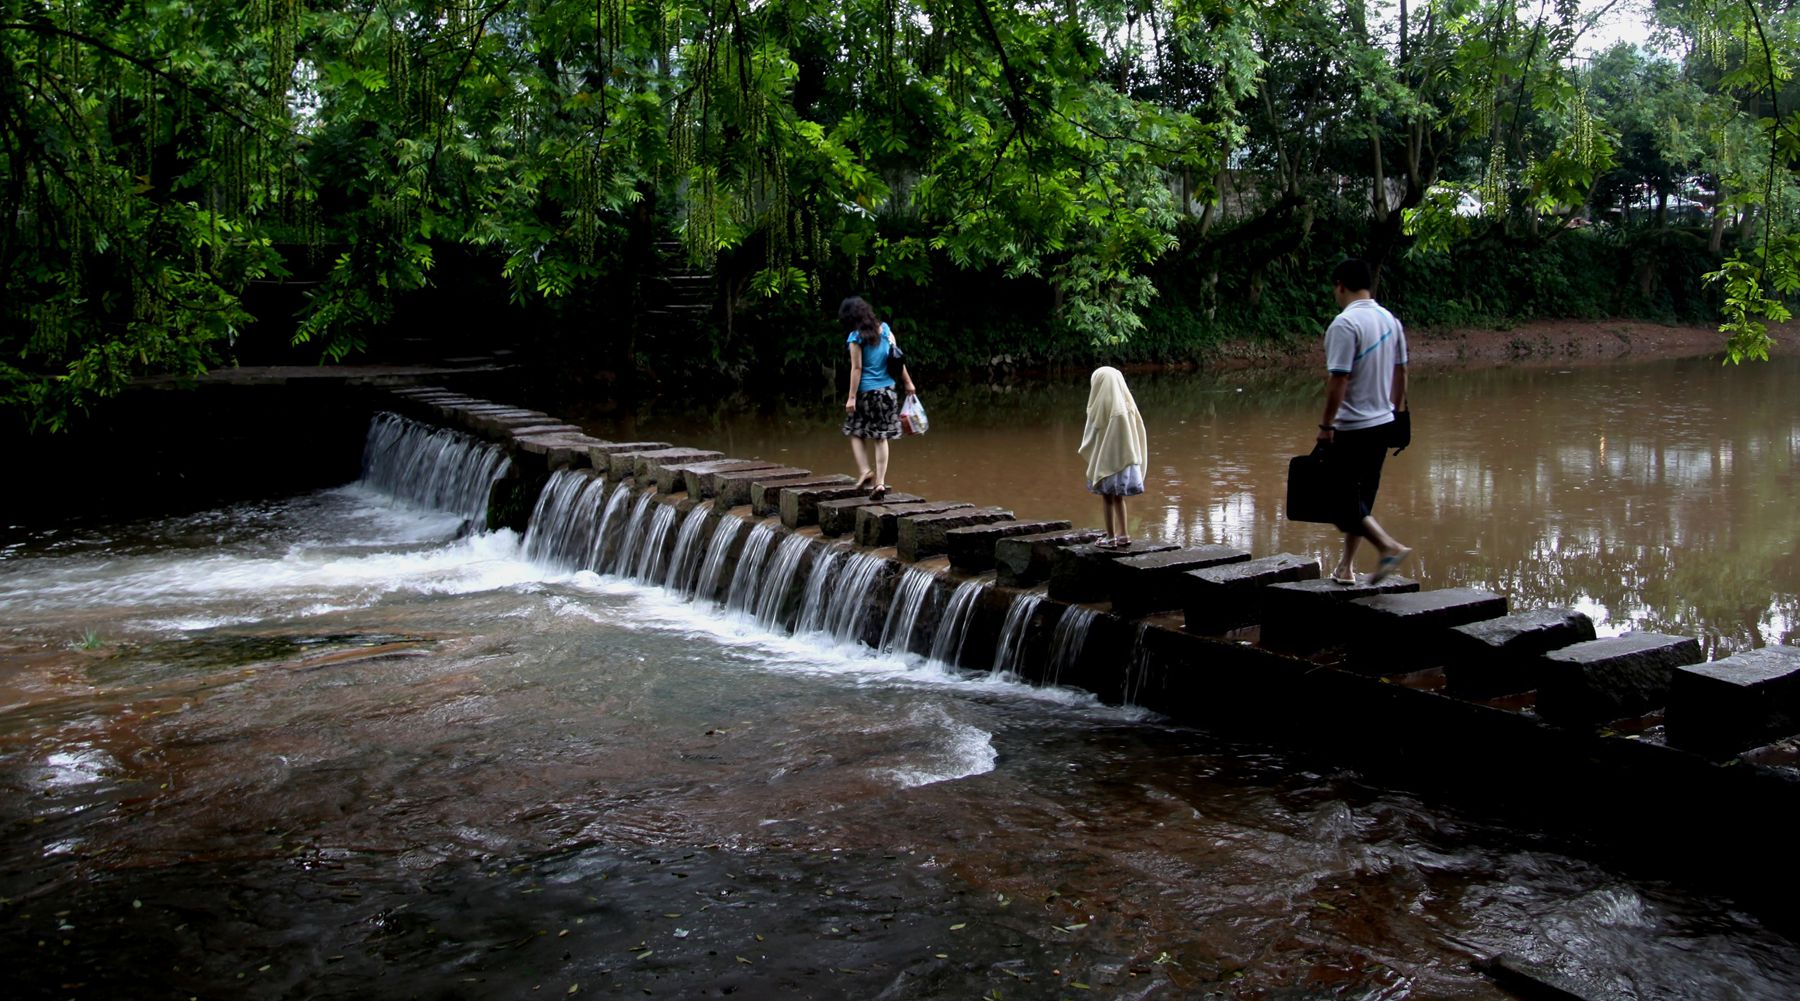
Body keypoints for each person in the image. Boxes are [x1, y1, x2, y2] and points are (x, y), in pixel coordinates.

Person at [1316, 258, 1412, 584]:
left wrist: (1326, 426)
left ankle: (1388, 546)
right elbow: (1402, 373)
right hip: (1383, 423)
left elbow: (1338, 380)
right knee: (1361, 498)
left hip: (1352, 426)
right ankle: (1346, 567)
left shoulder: (1344, 324)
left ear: (1340, 286)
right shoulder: (1390, 321)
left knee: (1338, 498)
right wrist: (1395, 413)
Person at [840, 296, 915, 501]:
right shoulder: (886, 330)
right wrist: (908, 383)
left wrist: (851, 397)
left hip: (866, 392)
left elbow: (857, 369)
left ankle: (865, 471)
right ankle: (880, 483)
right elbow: (897, 358)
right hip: (888, 392)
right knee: (880, 438)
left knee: (855, 432)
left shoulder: (855, 337)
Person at [1078, 366, 1148, 548]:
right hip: (1126, 462)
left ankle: (1110, 537)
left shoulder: (1103, 406)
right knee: (1118, 498)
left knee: (1107, 498)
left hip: (1109, 462)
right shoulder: (1127, 404)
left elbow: (1094, 433)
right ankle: (1123, 534)